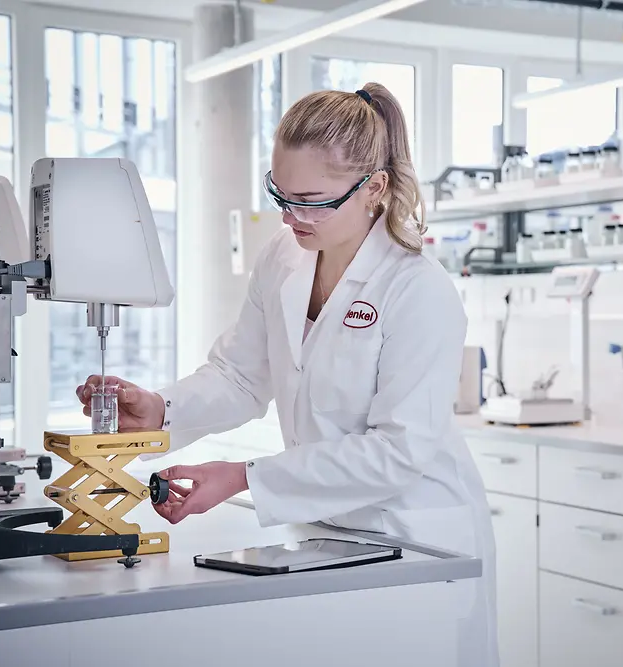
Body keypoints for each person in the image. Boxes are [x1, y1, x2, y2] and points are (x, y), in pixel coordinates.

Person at [76, 82, 498, 666]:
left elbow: (400, 451)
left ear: (374, 188)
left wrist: (246, 477)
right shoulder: (284, 254)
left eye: (311, 199)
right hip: (327, 529)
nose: (291, 215)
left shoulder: (418, 289)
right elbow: (242, 376)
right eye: (280, 193)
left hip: (417, 536)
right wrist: (161, 410)